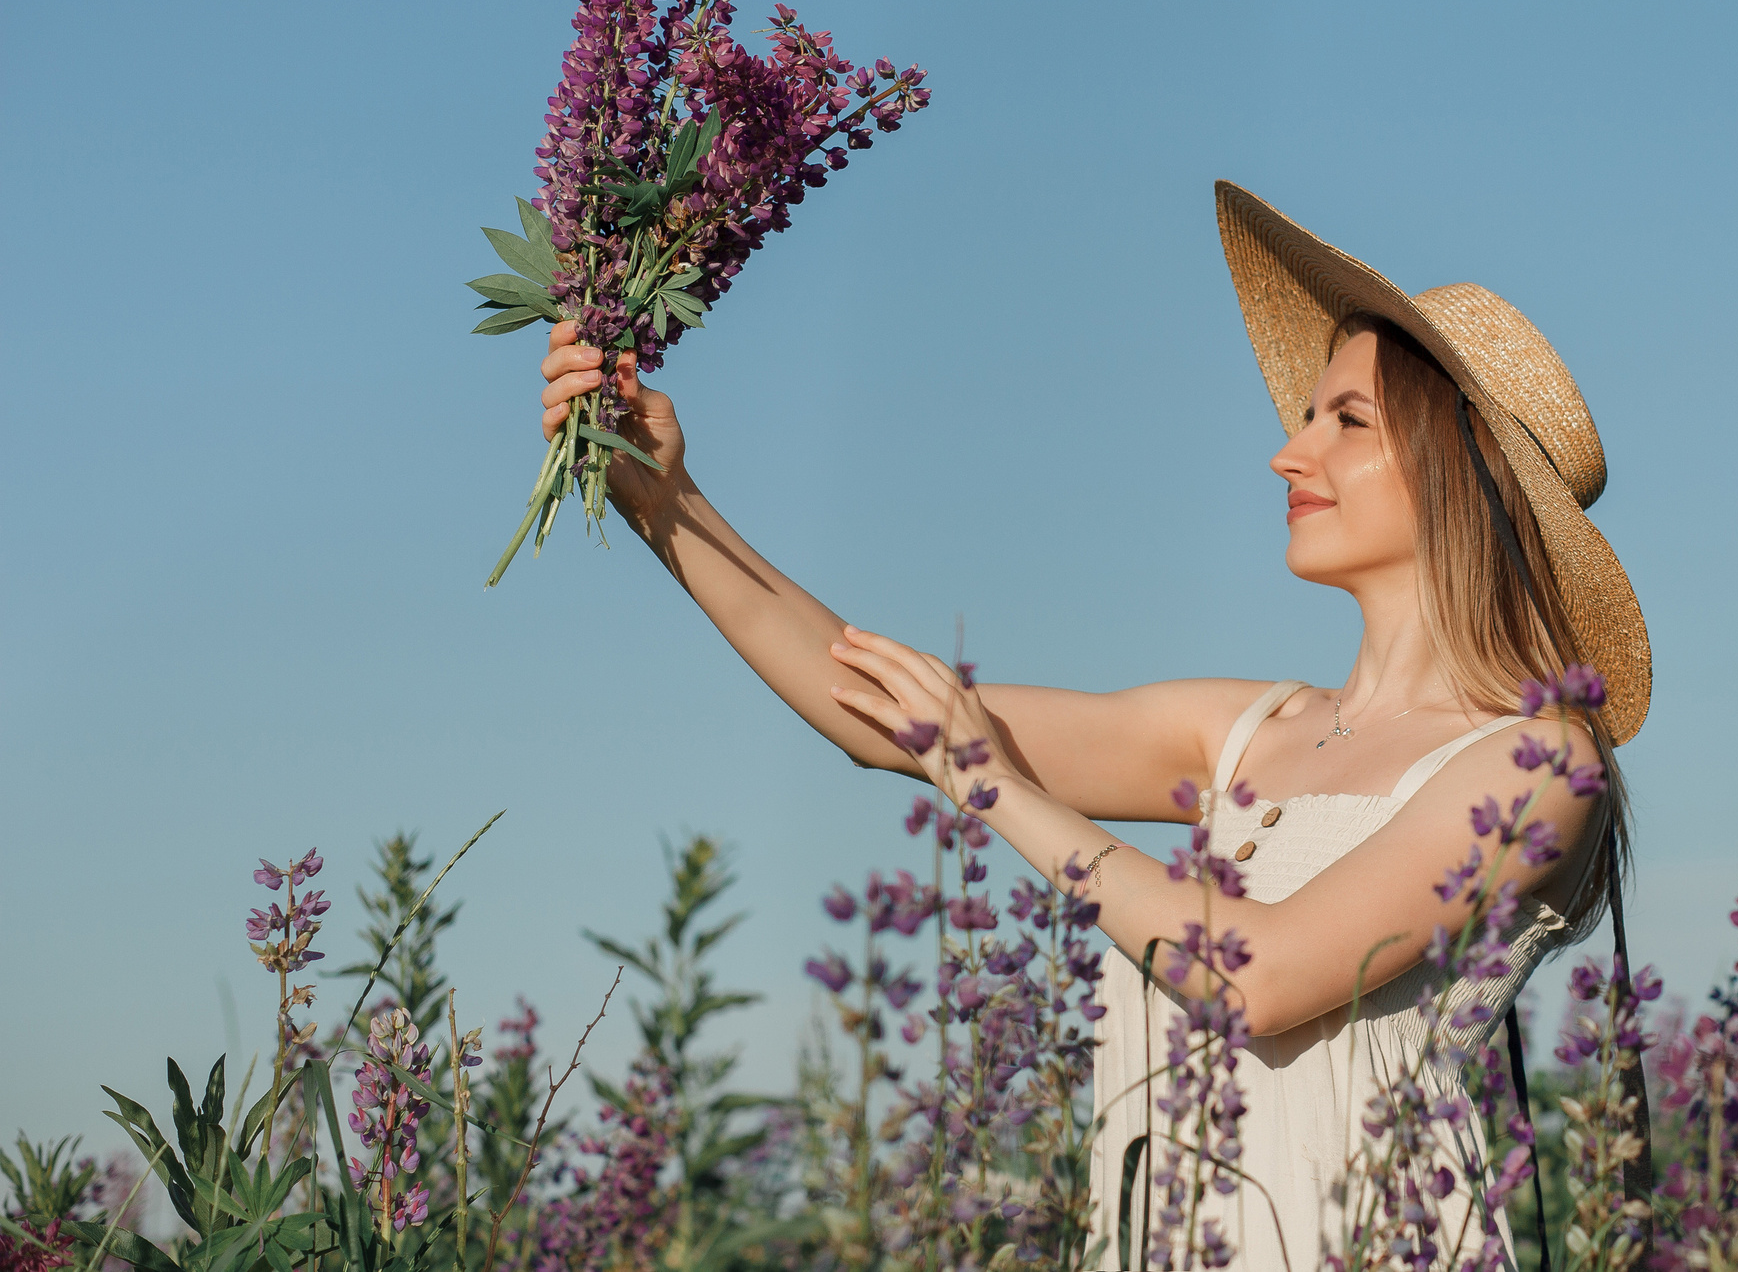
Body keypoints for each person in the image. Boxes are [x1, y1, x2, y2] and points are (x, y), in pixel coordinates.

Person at [533, 181, 1654, 1268]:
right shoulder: (1244, 730)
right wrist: (661, 500)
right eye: (1306, 413)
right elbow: (877, 717)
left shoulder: (1533, 763)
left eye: (1345, 419)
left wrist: (993, 786)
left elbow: (1250, 981)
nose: (1288, 450)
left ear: (1466, 471)